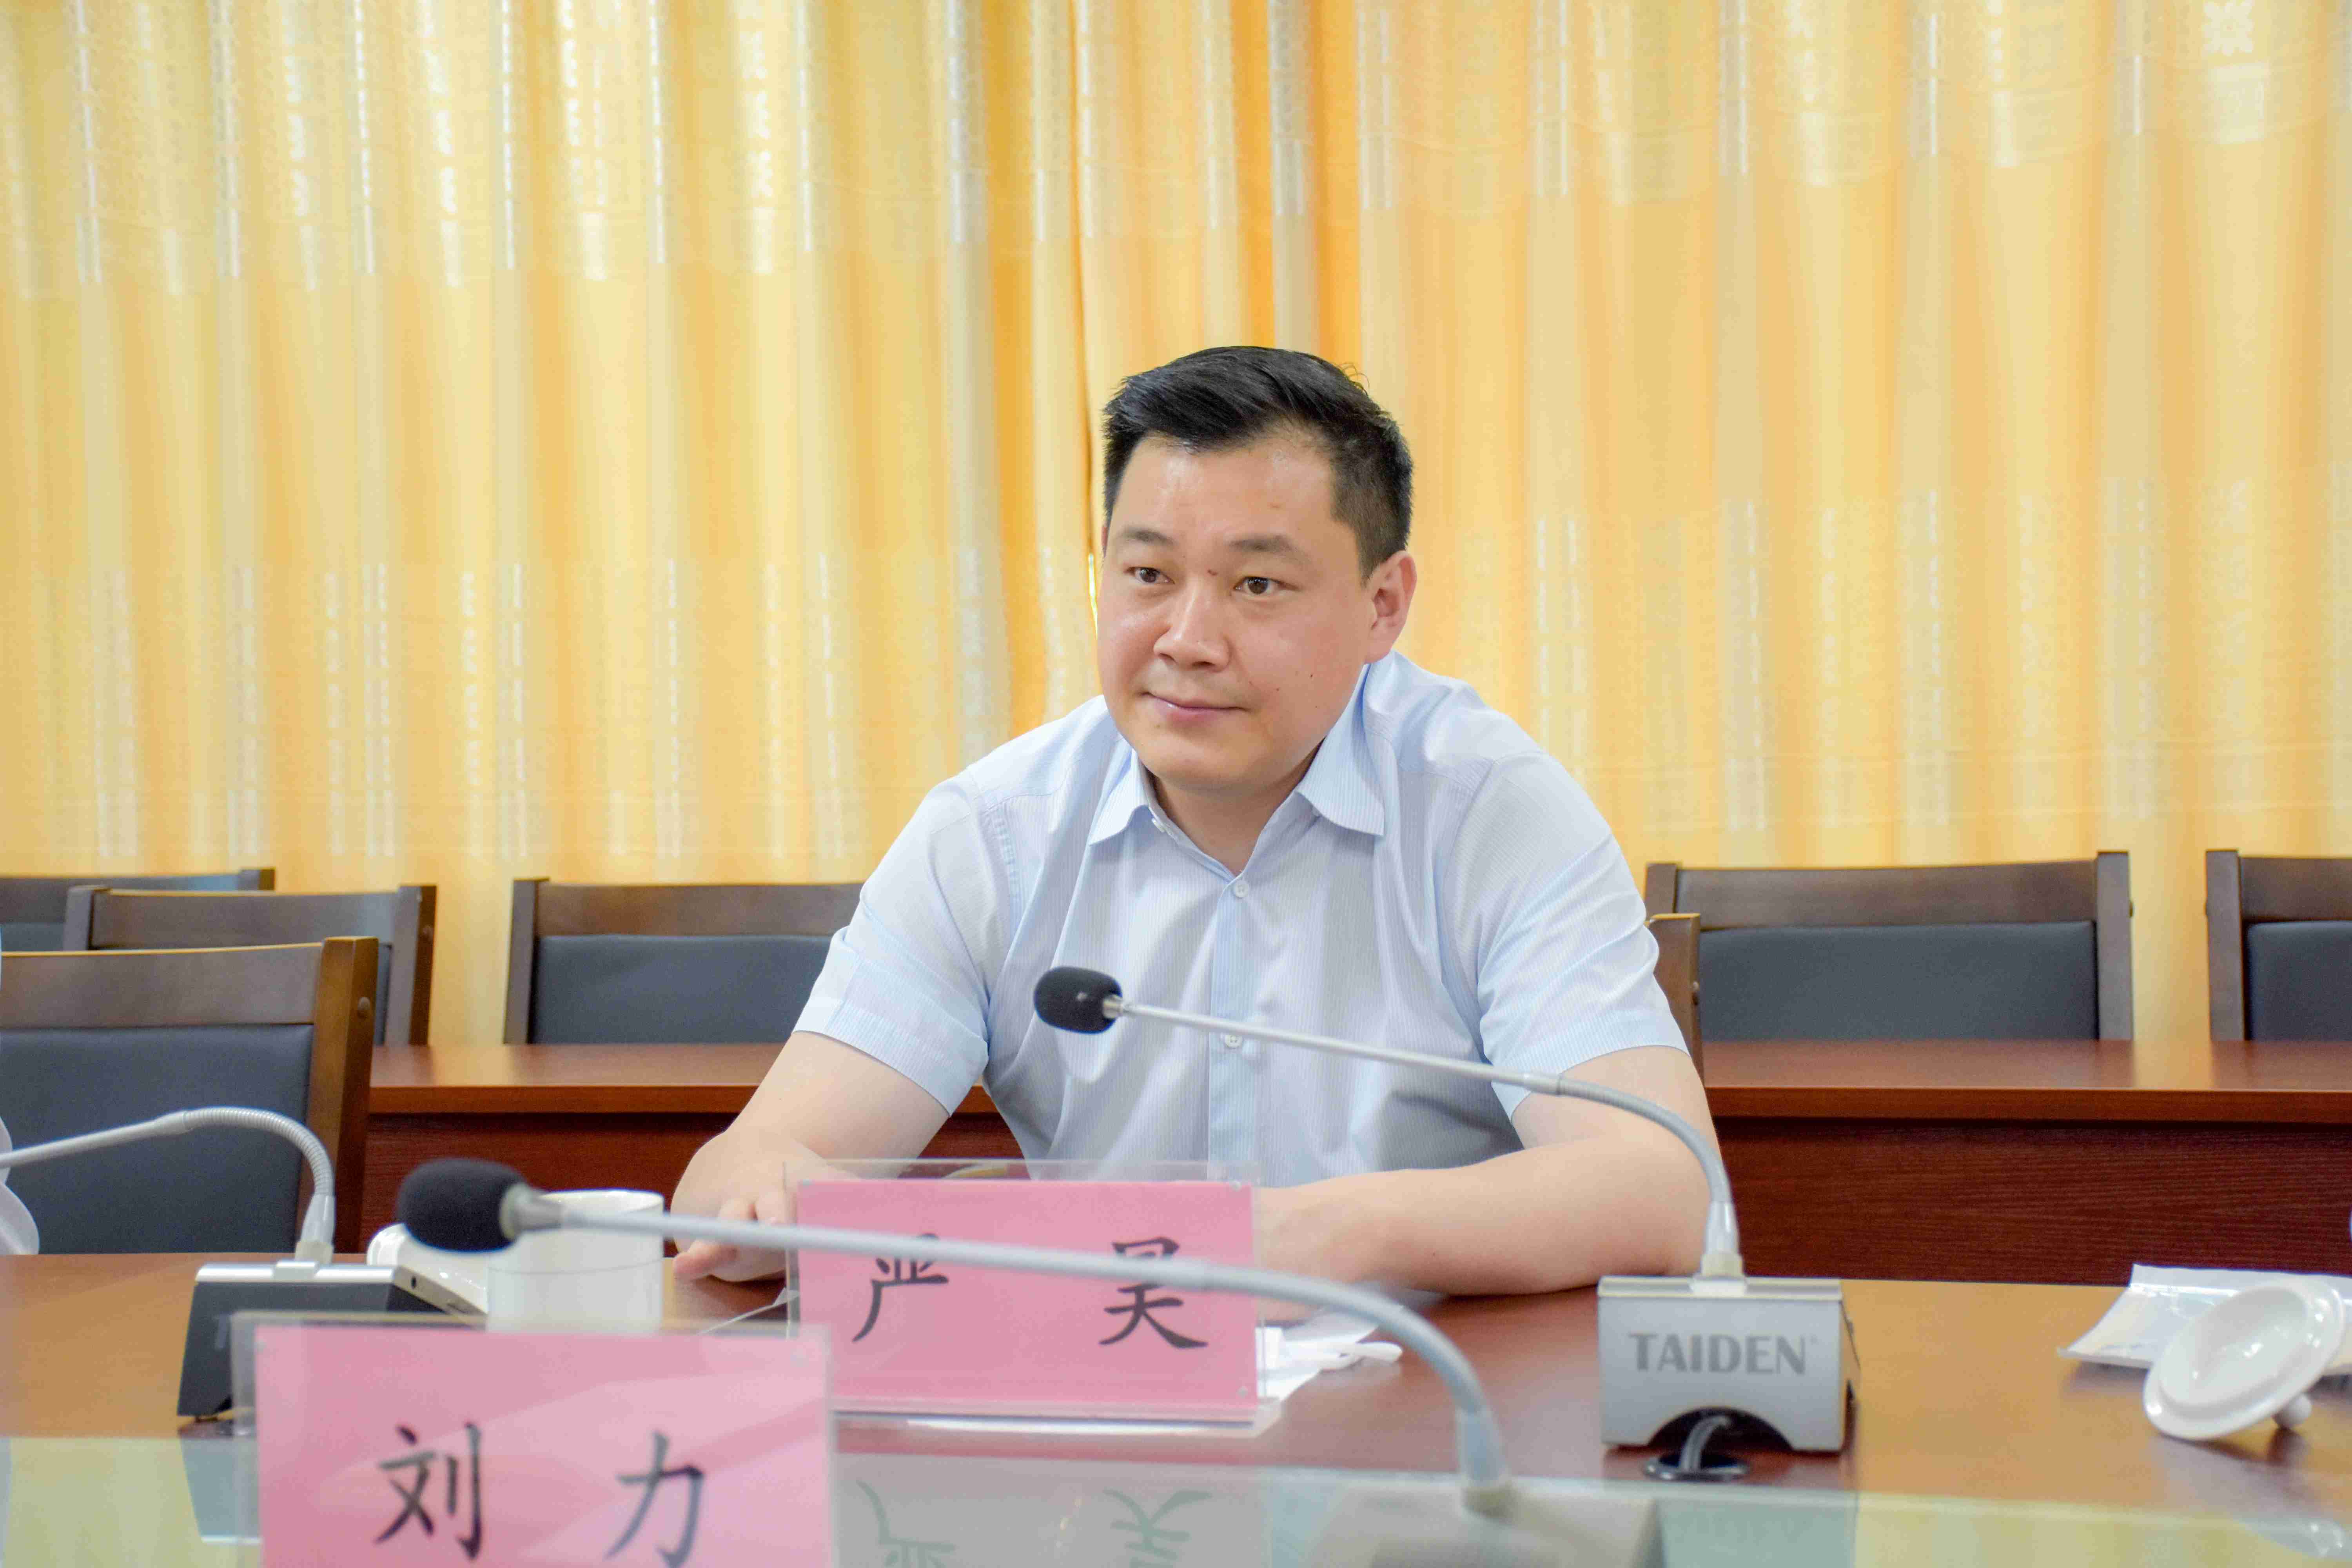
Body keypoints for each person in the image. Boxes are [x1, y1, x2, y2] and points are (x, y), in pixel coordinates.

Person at [674, 345, 1715, 1294]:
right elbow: (747, 1167)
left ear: (1383, 605)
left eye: (1257, 584)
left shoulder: (1489, 812)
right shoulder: (994, 835)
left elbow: (1658, 1189)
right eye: (1148, 575)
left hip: (1437, 1398)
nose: (1186, 638)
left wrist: (1294, 1237)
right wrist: (763, 1197)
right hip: (1104, 1401)